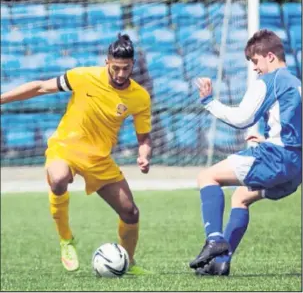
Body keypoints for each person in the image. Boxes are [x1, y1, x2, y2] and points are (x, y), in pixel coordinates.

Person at [0, 34, 153, 275]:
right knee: (59, 179)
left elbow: (144, 138)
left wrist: (144, 155)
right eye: (116, 68)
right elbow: (40, 87)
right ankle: (66, 239)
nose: (121, 74)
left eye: (126, 68)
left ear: (133, 64)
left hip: (99, 159)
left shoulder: (140, 97)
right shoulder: (83, 77)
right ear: (107, 63)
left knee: (130, 212)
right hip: (66, 148)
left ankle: (128, 261)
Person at [189, 29, 302, 276]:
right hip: (296, 166)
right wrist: (269, 138)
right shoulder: (297, 84)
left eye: (255, 61)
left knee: (207, 177)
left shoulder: (269, 82)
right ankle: (221, 261)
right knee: (241, 197)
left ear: (270, 56)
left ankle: (215, 240)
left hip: (275, 158)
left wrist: (209, 102)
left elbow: (242, 119)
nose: (254, 68)